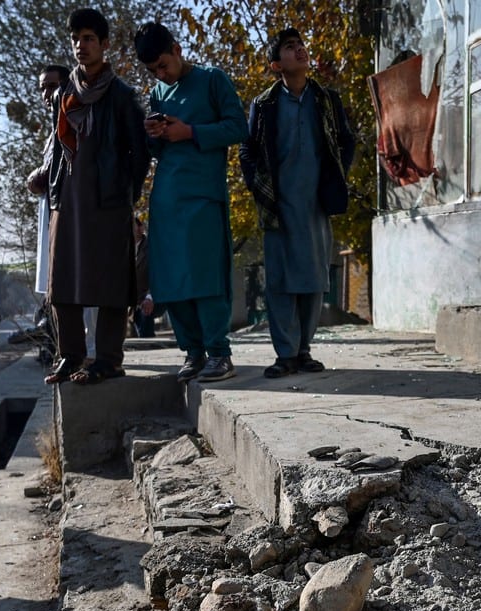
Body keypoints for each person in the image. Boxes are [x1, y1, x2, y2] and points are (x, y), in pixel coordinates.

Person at [28, 7, 149, 385]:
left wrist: (124, 192)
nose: (81, 46)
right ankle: (71, 356)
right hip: (68, 200)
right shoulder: (64, 94)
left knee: (111, 283)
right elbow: (56, 149)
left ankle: (109, 360)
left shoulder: (121, 96)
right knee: (62, 282)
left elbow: (139, 152)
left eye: (89, 39)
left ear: (104, 44)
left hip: (109, 201)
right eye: (76, 39)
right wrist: (52, 186)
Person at [239, 27, 356, 378]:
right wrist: (260, 189)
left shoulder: (326, 100)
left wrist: (335, 180)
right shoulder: (265, 104)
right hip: (279, 204)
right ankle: (285, 354)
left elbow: (346, 143)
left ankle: (304, 351)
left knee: (313, 278)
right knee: (280, 280)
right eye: (290, 47)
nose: (300, 50)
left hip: (315, 204)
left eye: (301, 45)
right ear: (277, 64)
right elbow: (248, 150)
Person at [136, 22, 248, 382]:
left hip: (203, 194)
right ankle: (193, 352)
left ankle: (219, 353)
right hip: (167, 197)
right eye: (153, 71)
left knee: (205, 275)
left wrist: (192, 132)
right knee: (170, 279)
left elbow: (238, 127)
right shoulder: (157, 94)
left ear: (177, 48)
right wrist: (153, 135)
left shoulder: (212, 79)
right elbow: (156, 151)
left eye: (163, 65)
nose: (161, 74)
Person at [34, 64, 71, 297]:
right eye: (42, 88)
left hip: (72, 225)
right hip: (52, 220)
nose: (47, 94)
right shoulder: (51, 134)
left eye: (52, 86)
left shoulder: (75, 125)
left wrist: (39, 177)